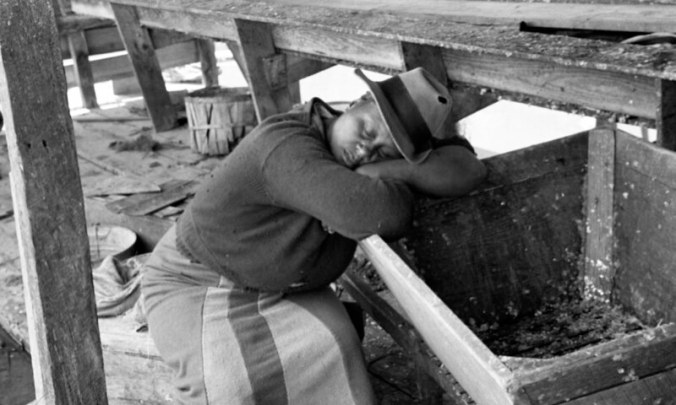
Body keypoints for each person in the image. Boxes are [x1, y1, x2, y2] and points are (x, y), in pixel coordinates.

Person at [141, 67, 487, 404]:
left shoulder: (357, 156)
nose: (365, 150)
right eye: (367, 130)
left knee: (335, 346)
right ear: (355, 103)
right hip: (197, 281)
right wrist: (393, 175)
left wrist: (384, 170)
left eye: (384, 150)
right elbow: (384, 214)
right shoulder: (284, 145)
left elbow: (468, 168)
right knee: (230, 386)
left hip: (280, 288)